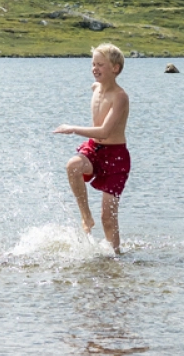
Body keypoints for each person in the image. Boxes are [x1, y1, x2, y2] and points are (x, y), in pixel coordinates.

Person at [53, 42, 132, 254]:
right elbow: (98, 135)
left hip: (116, 157)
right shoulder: (95, 88)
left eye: (101, 64)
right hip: (94, 150)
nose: (95, 68)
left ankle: (114, 257)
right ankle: (86, 216)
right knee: (73, 166)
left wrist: (73, 129)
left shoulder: (120, 97)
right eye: (93, 64)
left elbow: (105, 131)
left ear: (115, 68)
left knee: (108, 216)